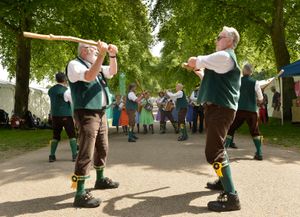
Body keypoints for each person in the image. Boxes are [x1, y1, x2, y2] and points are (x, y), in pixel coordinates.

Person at [183, 26, 241, 211]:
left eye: (219, 37)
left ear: (230, 41)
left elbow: (195, 60)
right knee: (219, 147)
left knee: (214, 152)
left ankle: (232, 197)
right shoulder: (222, 60)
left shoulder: (224, 56)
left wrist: (194, 63)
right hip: (219, 108)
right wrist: (196, 70)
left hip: (220, 109)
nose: (216, 40)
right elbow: (205, 74)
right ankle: (223, 182)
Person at [67, 41, 119, 208]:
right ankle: (79, 192)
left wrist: (112, 55)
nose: (97, 52)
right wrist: (102, 54)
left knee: (103, 147)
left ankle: (100, 179)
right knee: (85, 150)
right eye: (95, 50)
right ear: (84, 51)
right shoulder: (74, 65)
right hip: (86, 112)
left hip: (100, 111)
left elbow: (112, 71)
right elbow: (89, 76)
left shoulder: (95, 65)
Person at [224, 64, 264, 161]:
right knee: (255, 131)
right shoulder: (256, 83)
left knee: (231, 129)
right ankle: (259, 153)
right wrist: (259, 100)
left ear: (243, 71)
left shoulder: (237, 81)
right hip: (251, 111)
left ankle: (224, 153)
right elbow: (261, 98)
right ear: (251, 72)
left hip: (239, 110)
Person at [48, 72, 78, 163]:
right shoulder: (67, 90)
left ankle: (52, 155)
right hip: (66, 115)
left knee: (55, 136)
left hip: (55, 116)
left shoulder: (51, 90)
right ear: (65, 79)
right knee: (72, 135)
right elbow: (73, 102)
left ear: (56, 79)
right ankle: (74, 155)